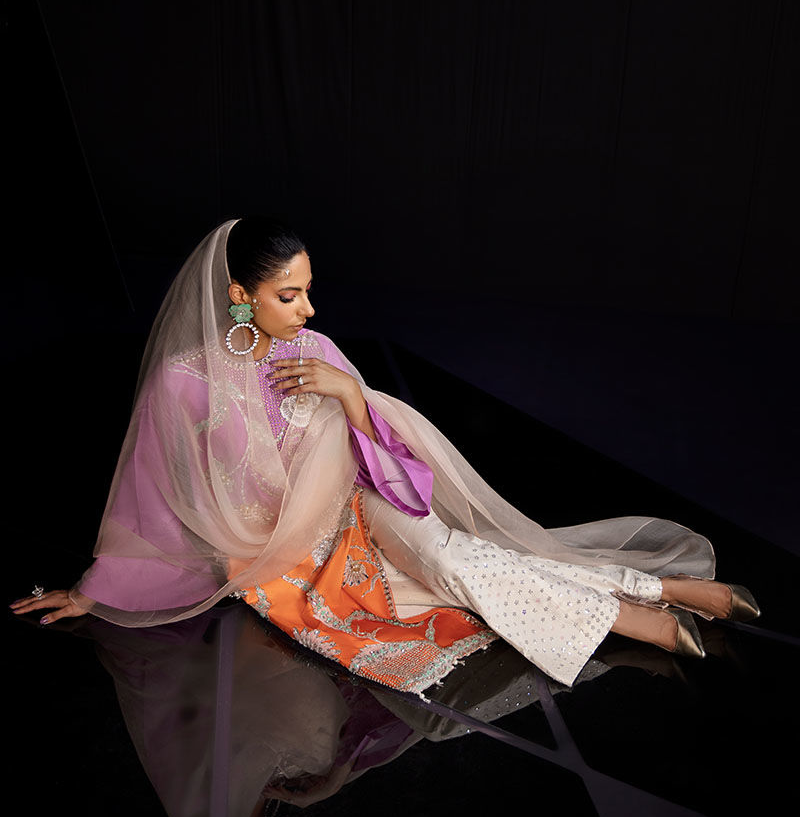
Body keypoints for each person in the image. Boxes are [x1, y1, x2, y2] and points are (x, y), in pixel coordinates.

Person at [11, 218, 760, 693]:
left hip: (362, 504)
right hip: (282, 553)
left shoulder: (316, 350)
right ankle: (654, 600)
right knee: (459, 572)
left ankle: (652, 603)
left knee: (450, 558)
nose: (308, 310)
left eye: (309, 291)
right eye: (288, 296)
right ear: (240, 295)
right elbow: (150, 495)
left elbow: (396, 464)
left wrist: (349, 393)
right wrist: (97, 591)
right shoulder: (183, 383)